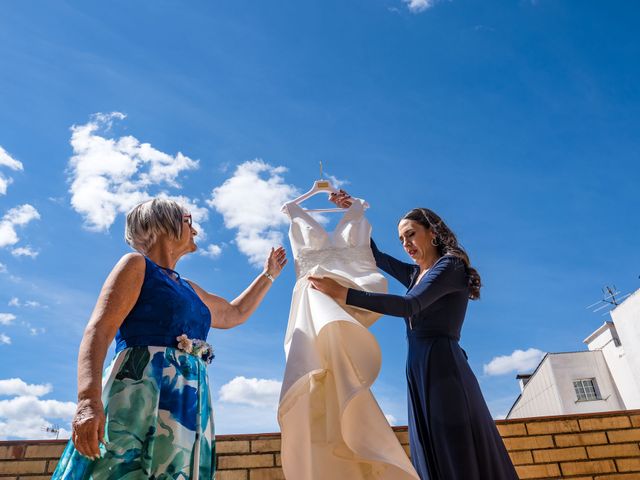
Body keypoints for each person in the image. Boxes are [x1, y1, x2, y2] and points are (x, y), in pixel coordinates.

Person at [53, 198, 287, 479]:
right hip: (139, 391)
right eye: (189, 221)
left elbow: (235, 313)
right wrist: (88, 401)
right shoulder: (136, 265)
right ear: (164, 223)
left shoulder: (190, 288)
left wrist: (268, 275)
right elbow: (99, 330)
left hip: (187, 400)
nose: (196, 230)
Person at [308, 190, 517, 480]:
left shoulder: (450, 266)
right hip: (418, 367)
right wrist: (354, 214)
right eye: (402, 239)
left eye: (411, 234)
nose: (406, 244)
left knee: (453, 448)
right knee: (429, 449)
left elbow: (409, 305)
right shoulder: (415, 274)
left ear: (432, 232)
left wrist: (342, 293)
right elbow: (376, 256)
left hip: (443, 365)